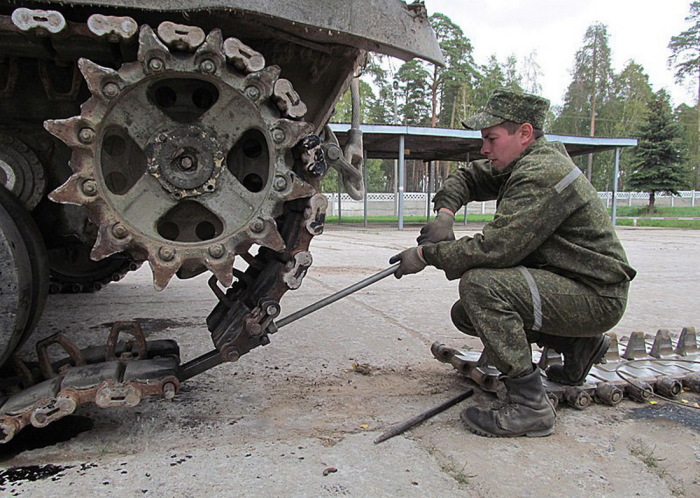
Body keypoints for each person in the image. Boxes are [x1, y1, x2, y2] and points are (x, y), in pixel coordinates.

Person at [389, 89, 636, 438]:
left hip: (595, 296)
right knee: (467, 313)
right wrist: (445, 214)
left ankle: (529, 405)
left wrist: (426, 255)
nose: (484, 149)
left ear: (524, 133)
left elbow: (497, 249)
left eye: (491, 138)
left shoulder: (541, 173)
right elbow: (468, 176)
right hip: (573, 286)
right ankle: (579, 344)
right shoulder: (522, 160)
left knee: (481, 287)